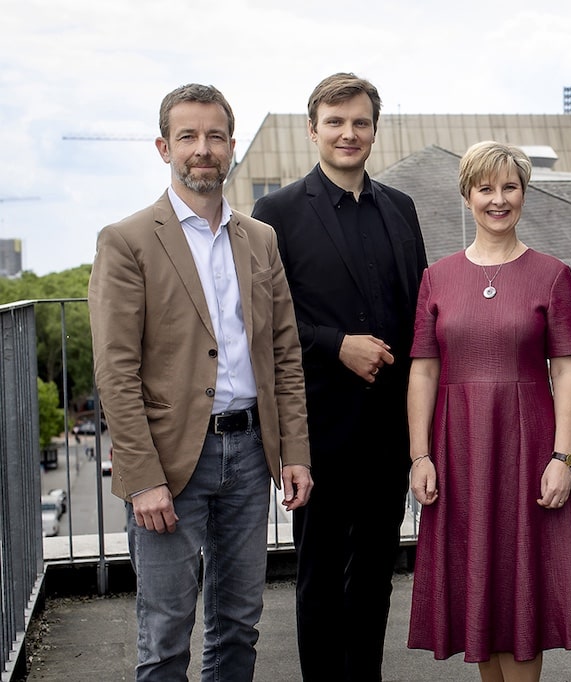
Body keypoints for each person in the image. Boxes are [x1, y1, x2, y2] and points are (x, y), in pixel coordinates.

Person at [88, 83, 313, 681]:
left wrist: (294, 452)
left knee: (238, 625)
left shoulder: (260, 239)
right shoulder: (128, 240)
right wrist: (141, 480)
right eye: (187, 136)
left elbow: (284, 353)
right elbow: (115, 369)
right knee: (164, 635)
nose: (202, 149)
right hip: (168, 464)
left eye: (214, 136)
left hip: (247, 456)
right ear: (164, 147)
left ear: (232, 146)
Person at [250, 72, 427, 681]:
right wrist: (336, 344)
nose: (348, 133)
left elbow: (419, 318)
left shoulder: (401, 209)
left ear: (375, 130)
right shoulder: (274, 213)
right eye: (335, 122)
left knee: (376, 577)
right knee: (320, 578)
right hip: (317, 429)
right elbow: (262, 322)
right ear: (312, 129)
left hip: (387, 430)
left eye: (360, 122)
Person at [407, 141, 571, 681]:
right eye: (485, 188)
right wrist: (420, 456)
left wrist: (564, 457)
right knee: (477, 585)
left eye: (509, 187)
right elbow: (423, 371)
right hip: (458, 449)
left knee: (520, 581)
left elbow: (567, 372)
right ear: (467, 196)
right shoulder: (436, 277)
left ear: (524, 194)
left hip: (527, 447)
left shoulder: (553, 274)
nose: (498, 199)